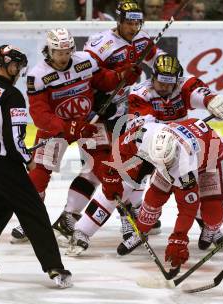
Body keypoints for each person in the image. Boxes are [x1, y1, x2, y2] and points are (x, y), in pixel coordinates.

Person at [47, 0, 165, 249]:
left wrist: (170, 72)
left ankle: (134, 211)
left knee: (134, 163)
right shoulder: (101, 44)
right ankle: (70, 217)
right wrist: (105, 92)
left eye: (137, 23)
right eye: (129, 22)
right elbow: (84, 74)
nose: (133, 28)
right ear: (119, 21)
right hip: (96, 114)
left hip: (125, 114)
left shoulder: (143, 39)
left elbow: (159, 62)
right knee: (95, 168)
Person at [9, 28, 138, 244]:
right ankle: (30, 219)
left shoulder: (84, 61)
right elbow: (39, 114)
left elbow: (103, 81)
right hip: (56, 129)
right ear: (49, 51)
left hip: (90, 123)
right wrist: (68, 127)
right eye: (59, 52)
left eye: (67, 51)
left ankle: (86, 216)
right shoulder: (38, 75)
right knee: (39, 173)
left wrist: (121, 76)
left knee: (105, 169)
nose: (64, 56)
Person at [67, 117, 223, 270]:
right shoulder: (145, 133)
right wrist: (112, 175)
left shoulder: (185, 165)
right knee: (153, 198)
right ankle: (141, 231)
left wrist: (178, 240)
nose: (162, 167)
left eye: (166, 163)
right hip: (179, 150)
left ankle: (212, 228)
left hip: (212, 156)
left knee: (212, 210)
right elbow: (121, 147)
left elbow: (187, 208)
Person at [0, 45, 71, 288]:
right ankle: (55, 268)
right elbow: (14, 138)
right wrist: (28, 158)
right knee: (33, 211)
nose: (18, 71)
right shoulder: (12, 95)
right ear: (3, 64)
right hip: (5, 164)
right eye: (16, 66)